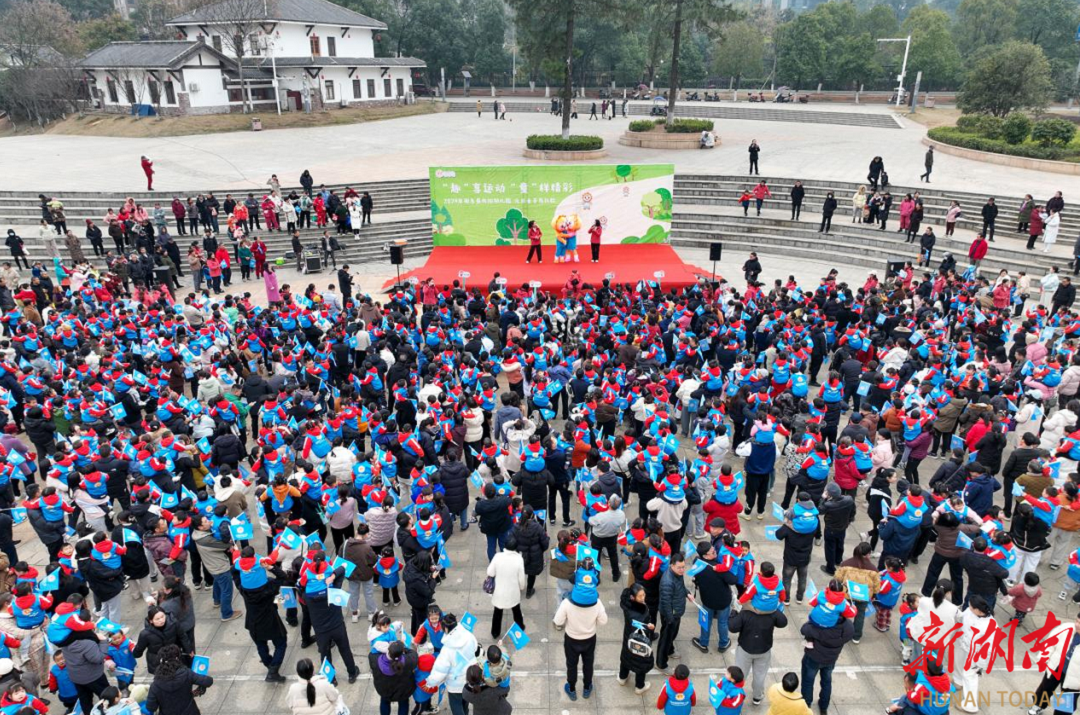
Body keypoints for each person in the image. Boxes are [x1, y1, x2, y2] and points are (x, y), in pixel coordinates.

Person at [552, 583, 607, 700]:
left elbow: (558, 621)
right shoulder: (597, 602)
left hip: (571, 639)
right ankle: (587, 688)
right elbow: (603, 621)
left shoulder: (567, 603)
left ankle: (571, 689)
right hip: (590, 638)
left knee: (571, 665)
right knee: (588, 664)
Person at [799, 614, 853, 715]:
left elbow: (804, 629)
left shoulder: (822, 625)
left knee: (808, 682)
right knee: (826, 682)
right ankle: (823, 706)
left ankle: (806, 705)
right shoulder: (848, 626)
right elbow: (849, 636)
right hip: (831, 659)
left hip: (813, 658)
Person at [426, 613, 479, 715]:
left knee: (456, 705)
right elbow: (476, 648)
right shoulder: (468, 635)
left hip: (455, 684)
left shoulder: (447, 650)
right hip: (469, 678)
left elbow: (440, 671)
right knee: (465, 702)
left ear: (446, 629)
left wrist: (430, 682)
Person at [145, 645, 212, 715]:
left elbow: (150, 708)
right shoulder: (187, 673)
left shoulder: (155, 686)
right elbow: (209, 681)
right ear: (177, 659)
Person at [617, 583, 655, 694]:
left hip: (627, 637)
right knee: (640, 664)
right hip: (639, 641)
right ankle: (639, 686)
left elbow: (625, 594)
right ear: (633, 597)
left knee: (625, 658)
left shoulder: (627, 605)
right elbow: (644, 629)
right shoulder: (641, 613)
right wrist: (650, 627)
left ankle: (622, 678)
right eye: (640, 596)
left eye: (644, 595)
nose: (643, 598)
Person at [370, 641, 418, 715]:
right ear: (401, 653)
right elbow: (414, 654)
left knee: (384, 702)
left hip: (385, 690)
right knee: (403, 704)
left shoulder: (375, 659)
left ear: (388, 650)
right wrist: (404, 648)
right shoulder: (409, 660)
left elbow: (372, 652)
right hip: (403, 691)